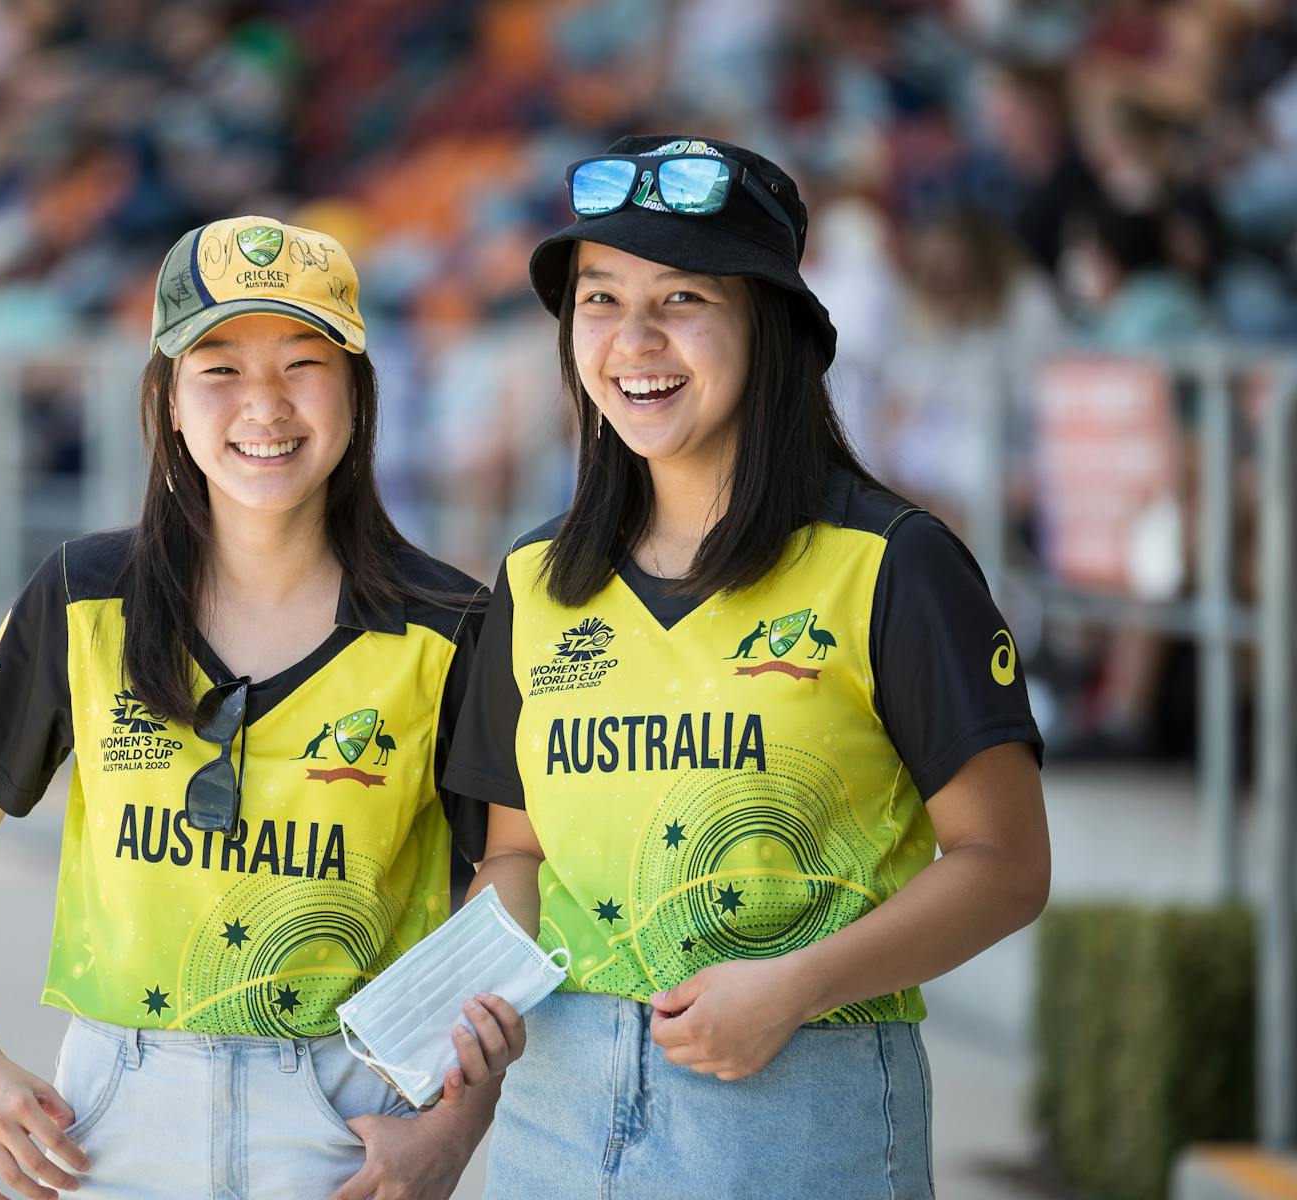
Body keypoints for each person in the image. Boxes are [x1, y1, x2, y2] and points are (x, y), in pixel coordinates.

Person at [444, 136, 1052, 1199]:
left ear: (768, 324)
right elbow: (517, 859)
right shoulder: (534, 581)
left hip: (802, 1112)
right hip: (558, 1116)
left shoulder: (892, 563)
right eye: (599, 300)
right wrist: (446, 1054)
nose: (632, 341)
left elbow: (1005, 864)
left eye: (681, 299)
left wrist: (795, 988)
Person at [0, 215, 521, 1200]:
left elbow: (502, 889)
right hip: (109, 1115)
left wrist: (450, 1129)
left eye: (303, 363)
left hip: (349, 1112)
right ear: (168, 402)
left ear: (358, 393)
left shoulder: (450, 627)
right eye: (220, 368)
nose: (264, 405)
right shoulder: (83, 596)